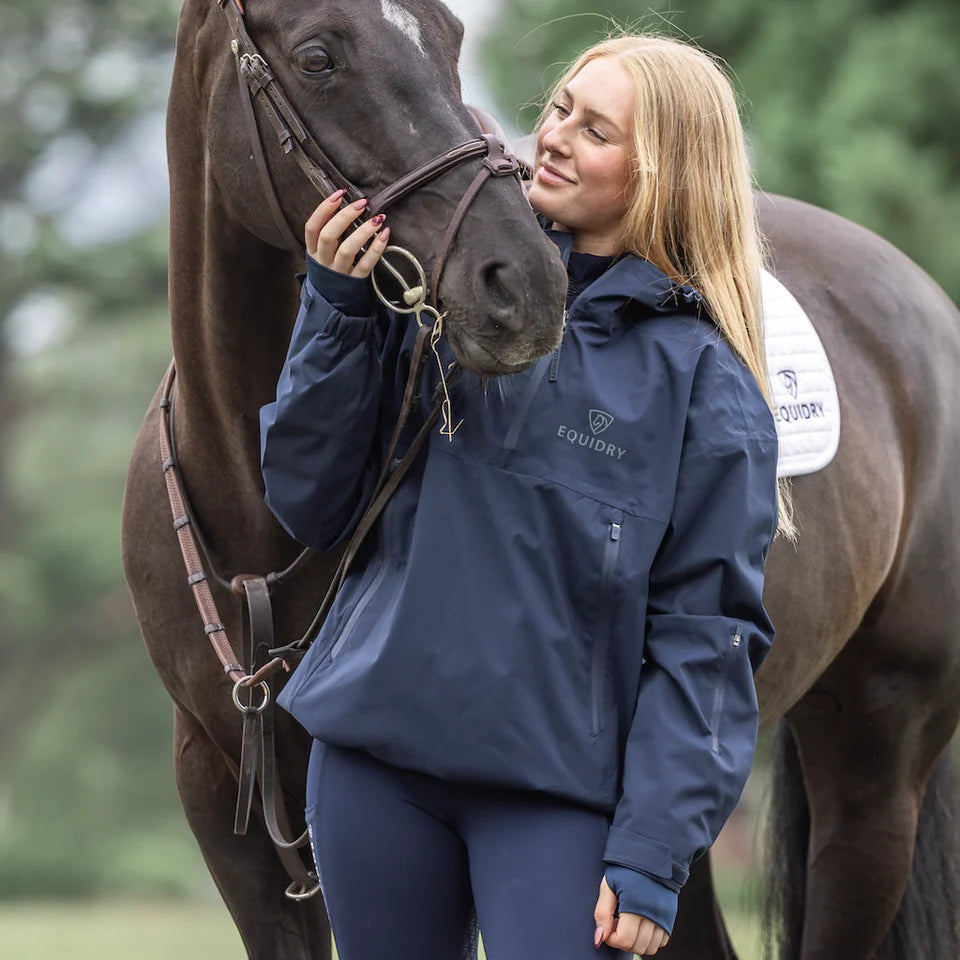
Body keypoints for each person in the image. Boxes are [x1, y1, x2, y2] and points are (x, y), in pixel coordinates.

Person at [259, 32, 783, 960]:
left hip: (558, 800)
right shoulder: (428, 292)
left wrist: (655, 850)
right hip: (375, 773)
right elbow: (310, 503)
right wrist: (336, 309)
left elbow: (708, 638)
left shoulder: (708, 387)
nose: (555, 137)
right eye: (560, 111)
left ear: (666, 171)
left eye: (598, 131)